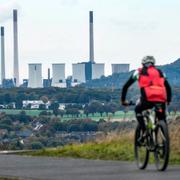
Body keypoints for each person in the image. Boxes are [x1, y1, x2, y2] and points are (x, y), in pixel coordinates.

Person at [121, 56, 172, 133]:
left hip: (147, 100)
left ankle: (144, 129)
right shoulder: (160, 72)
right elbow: (168, 87)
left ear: (143, 64)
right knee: (162, 118)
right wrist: (168, 100)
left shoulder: (139, 72)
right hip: (161, 100)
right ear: (153, 63)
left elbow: (126, 86)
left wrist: (123, 100)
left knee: (137, 110)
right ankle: (164, 139)